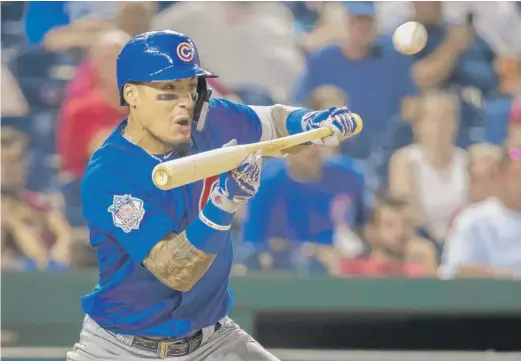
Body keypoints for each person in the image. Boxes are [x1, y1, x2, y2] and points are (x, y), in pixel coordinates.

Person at [67, 30, 360, 361]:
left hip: (211, 339)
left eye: (190, 87)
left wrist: (313, 122)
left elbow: (273, 122)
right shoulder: (111, 173)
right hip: (122, 348)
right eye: (168, 90)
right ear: (132, 95)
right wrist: (224, 202)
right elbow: (175, 271)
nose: (184, 102)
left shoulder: (208, 121)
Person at [439, 145, 521, 280]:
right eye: (517, 176)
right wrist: (513, 278)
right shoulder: (473, 220)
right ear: (500, 177)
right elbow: (458, 271)